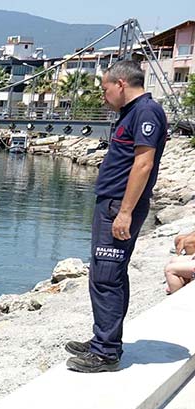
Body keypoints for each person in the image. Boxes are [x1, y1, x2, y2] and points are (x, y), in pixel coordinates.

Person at [65, 60, 168, 373]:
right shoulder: (131, 113)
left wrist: (124, 211)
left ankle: (106, 353)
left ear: (121, 83)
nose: (103, 96)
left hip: (119, 208)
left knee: (106, 277)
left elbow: (143, 165)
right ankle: (104, 339)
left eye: (105, 88)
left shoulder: (146, 112)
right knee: (107, 274)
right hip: (111, 205)